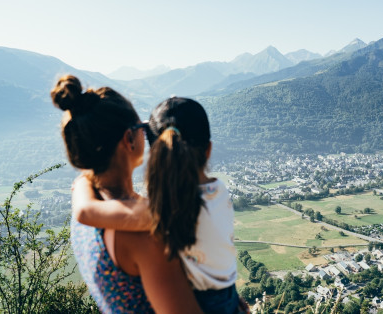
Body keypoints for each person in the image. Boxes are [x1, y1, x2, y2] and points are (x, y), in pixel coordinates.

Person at [72, 97, 242, 313]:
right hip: (223, 295)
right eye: (138, 129)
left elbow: (85, 211)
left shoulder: (160, 210)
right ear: (208, 149)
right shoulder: (217, 192)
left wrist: (82, 182)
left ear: (157, 153)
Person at [51, 75, 203, 313]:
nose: (146, 135)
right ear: (129, 139)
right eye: (143, 129)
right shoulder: (142, 236)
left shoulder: (88, 202)